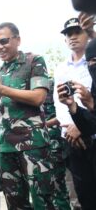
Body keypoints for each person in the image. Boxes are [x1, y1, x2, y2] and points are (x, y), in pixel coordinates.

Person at [0, 22, 54, 209]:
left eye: (3, 41)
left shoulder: (34, 61)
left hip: (33, 145)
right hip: (6, 147)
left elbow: (39, 97)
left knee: (42, 200)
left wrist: (2, 89)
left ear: (18, 40)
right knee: (15, 202)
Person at [53, 16, 96, 210]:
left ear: (88, 33)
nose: (73, 37)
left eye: (77, 32)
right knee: (82, 193)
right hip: (71, 138)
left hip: (92, 132)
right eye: (68, 34)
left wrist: (81, 125)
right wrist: (70, 126)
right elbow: (59, 102)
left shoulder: (93, 62)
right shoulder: (61, 68)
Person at [44, 77, 71, 210]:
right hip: (42, 146)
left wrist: (45, 123)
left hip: (56, 145)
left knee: (58, 183)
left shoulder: (54, 86)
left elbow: (63, 115)